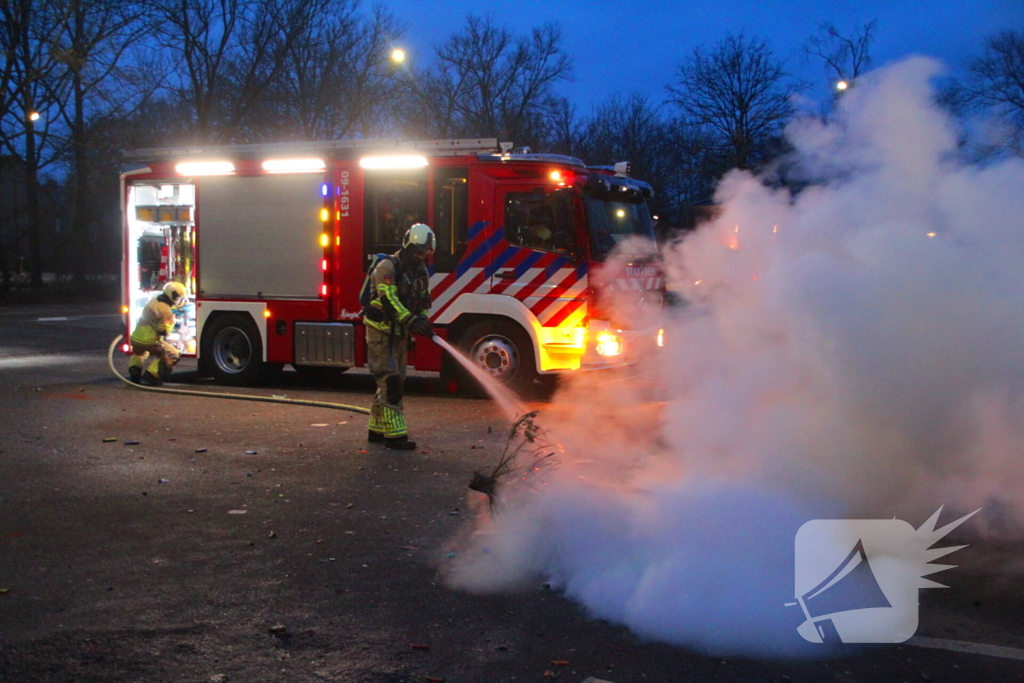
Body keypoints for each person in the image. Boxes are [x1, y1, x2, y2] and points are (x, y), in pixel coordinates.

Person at [362, 223, 435, 450]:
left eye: (425, 253)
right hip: (380, 332)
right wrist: (413, 321)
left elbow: (424, 299)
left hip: (400, 334)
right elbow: (389, 301)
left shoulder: (420, 271)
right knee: (391, 381)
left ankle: (376, 429)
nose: (420, 257)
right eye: (417, 251)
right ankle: (395, 437)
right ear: (406, 245)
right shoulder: (386, 268)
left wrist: (422, 319)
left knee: (395, 379)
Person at [128, 281, 188, 386]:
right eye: (179, 298)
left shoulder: (153, 301)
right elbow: (163, 331)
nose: (179, 300)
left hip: (136, 337)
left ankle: (135, 372)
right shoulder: (166, 312)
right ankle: (152, 374)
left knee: (140, 354)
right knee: (173, 354)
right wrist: (173, 322)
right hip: (150, 340)